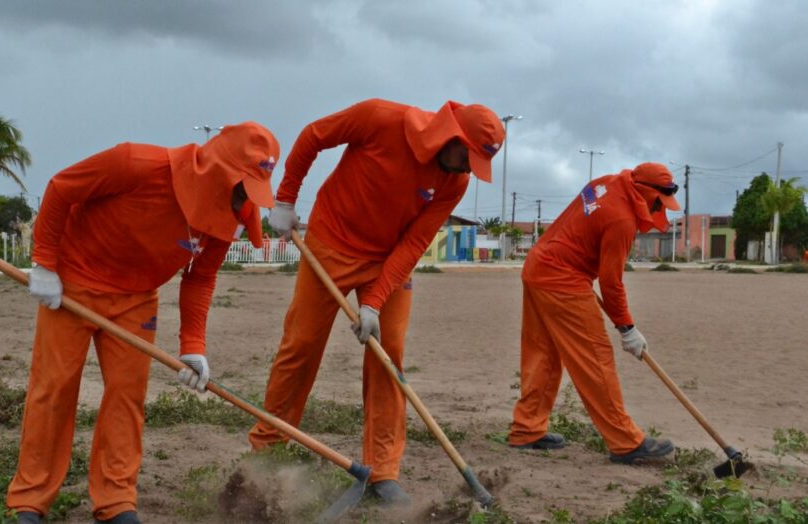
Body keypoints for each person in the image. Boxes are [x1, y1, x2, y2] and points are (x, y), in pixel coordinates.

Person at [7, 123, 279, 524]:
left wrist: (193, 345)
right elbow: (62, 187)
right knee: (54, 389)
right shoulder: (136, 163)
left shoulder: (234, 212)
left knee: (127, 398)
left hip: (137, 299)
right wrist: (45, 262)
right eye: (241, 185)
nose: (243, 197)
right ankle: (29, 500)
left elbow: (200, 277)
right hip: (74, 284)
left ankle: (116, 500)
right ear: (215, 168)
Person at [248, 98, 505, 504]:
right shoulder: (381, 118)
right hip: (331, 243)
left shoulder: (455, 181)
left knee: (390, 354)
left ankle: (383, 471)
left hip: (388, 260)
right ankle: (268, 448)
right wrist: (284, 199)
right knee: (301, 344)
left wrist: (375, 303)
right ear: (451, 136)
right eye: (469, 157)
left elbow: (416, 241)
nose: (470, 169)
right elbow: (314, 136)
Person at [508, 162, 678, 464]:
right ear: (644, 193)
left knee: (543, 353)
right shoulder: (622, 220)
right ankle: (625, 442)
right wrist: (627, 328)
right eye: (658, 202)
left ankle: (527, 429)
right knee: (595, 357)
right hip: (563, 280)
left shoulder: (605, 183)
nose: (658, 208)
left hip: (538, 266)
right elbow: (611, 282)